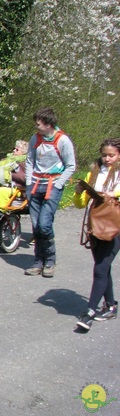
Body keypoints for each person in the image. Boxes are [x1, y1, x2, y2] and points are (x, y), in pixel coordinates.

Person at [73, 138, 120, 331]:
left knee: (101, 268)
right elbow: (81, 204)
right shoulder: (94, 172)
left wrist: (114, 195)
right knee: (102, 266)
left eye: (112, 155)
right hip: (97, 222)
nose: (107, 159)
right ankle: (110, 305)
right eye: (104, 155)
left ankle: (90, 311)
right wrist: (78, 193)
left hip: (115, 224)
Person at [24, 108, 76, 278]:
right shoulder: (35, 139)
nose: (36, 126)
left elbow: (71, 165)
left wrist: (59, 183)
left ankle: (50, 260)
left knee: (44, 224)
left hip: (53, 185)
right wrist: (28, 182)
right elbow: (30, 160)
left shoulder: (63, 140)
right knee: (35, 225)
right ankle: (38, 261)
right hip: (35, 185)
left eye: (38, 123)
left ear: (47, 124)